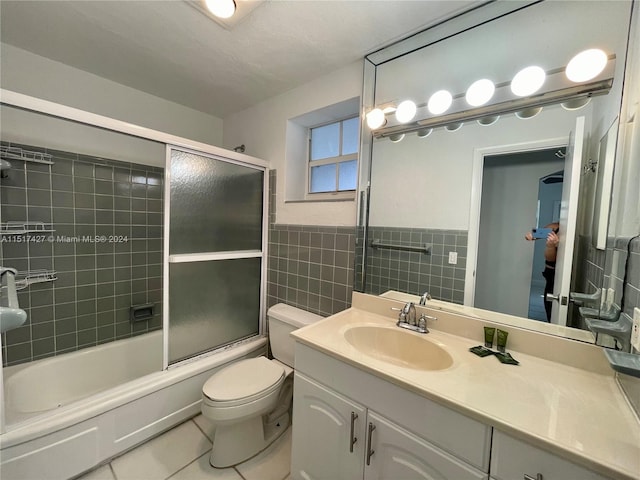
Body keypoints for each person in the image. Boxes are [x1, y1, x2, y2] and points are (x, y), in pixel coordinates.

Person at [525, 222, 559, 322]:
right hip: (549, 274)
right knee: (549, 307)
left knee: (554, 309)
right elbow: (529, 236)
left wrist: (553, 245)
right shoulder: (555, 227)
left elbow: (552, 258)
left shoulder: (569, 233)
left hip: (557, 274)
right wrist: (532, 235)